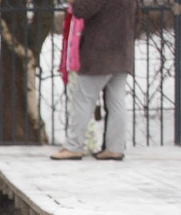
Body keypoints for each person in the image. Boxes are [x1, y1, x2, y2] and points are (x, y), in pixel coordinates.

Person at [50, 0, 141, 161]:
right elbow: (137, 20)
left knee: (83, 99)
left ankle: (73, 147)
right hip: (123, 52)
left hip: (99, 54)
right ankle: (115, 148)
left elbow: (81, 10)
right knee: (117, 101)